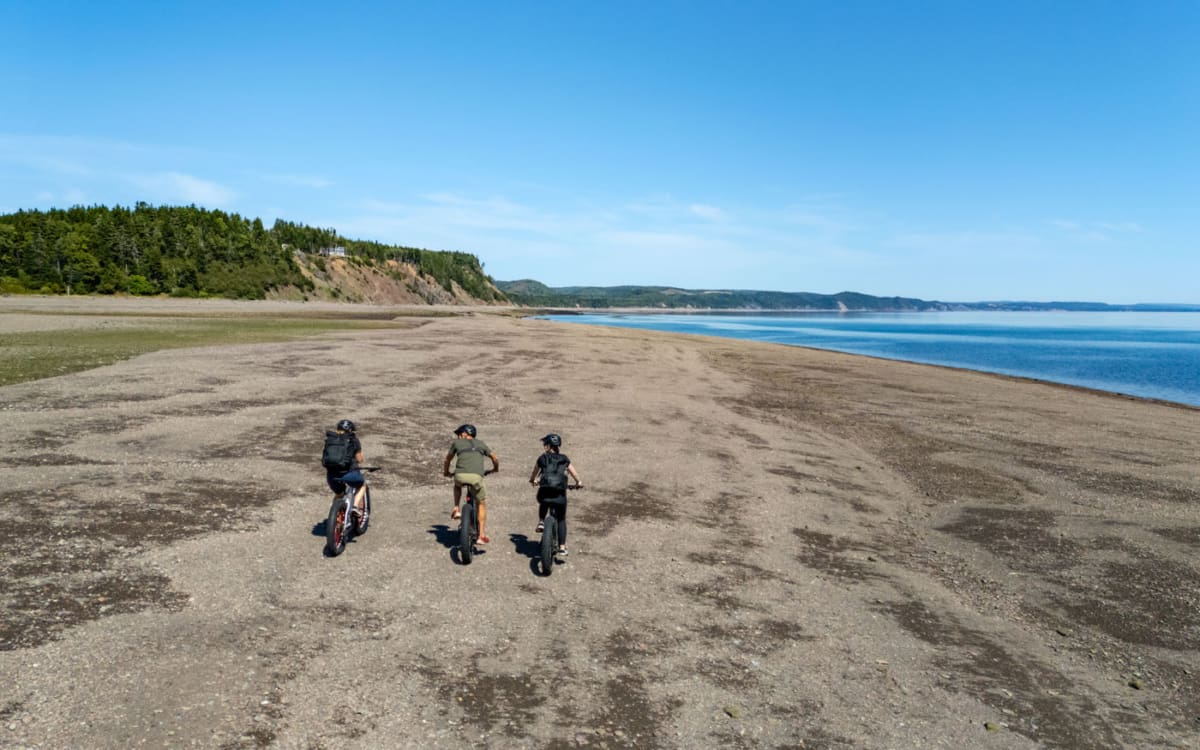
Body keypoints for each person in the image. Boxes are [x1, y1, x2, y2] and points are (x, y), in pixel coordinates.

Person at [443, 423, 499, 544]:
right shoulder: (481, 444)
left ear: (464, 434)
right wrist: (495, 469)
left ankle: (456, 508)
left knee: (457, 485)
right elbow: (494, 458)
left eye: (459, 434)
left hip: (460, 475)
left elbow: (448, 459)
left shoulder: (457, 443)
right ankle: (481, 535)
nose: (458, 437)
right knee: (481, 503)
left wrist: (446, 472)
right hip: (477, 478)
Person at [528, 433, 581, 556]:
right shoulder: (564, 458)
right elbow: (574, 473)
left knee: (543, 500)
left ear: (547, 445)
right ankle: (562, 547)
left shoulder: (542, 458)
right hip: (559, 495)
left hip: (545, 492)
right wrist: (578, 482)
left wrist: (533, 480)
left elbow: (534, 473)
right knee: (561, 519)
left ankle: (541, 521)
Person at [326, 418, 367, 516]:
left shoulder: (330, 440)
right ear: (351, 430)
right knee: (362, 485)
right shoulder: (353, 440)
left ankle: (333, 514)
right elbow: (359, 458)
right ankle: (355, 507)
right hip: (349, 473)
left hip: (332, 476)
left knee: (339, 494)